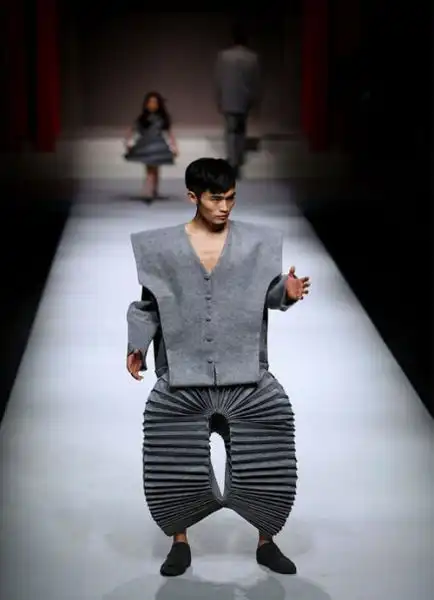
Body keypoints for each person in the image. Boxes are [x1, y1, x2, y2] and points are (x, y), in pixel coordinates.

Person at [126, 158, 311, 577]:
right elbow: (148, 303)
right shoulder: (162, 248)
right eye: (215, 199)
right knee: (175, 455)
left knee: (267, 449)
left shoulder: (257, 243)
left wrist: (288, 292)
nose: (224, 207)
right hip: (183, 372)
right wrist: (137, 346)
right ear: (193, 197)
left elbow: (270, 292)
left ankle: (266, 540)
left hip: (245, 371)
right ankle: (179, 541)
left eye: (230, 198)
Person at [214, 23, 261, 178]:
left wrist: (218, 98)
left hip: (229, 97)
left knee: (230, 131)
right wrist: (255, 99)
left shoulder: (224, 56)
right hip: (244, 98)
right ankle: (237, 160)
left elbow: (219, 79)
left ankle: (233, 161)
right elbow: (255, 81)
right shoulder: (252, 57)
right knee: (241, 129)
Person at [124, 91, 178, 201]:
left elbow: (170, 133)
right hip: (146, 145)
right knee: (150, 169)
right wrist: (128, 142)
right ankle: (148, 191)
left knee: (155, 169)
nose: (152, 105)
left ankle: (152, 191)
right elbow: (131, 130)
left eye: (155, 102)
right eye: (150, 102)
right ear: (146, 104)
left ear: (159, 104)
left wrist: (174, 146)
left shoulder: (162, 118)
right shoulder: (142, 118)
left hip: (158, 145)